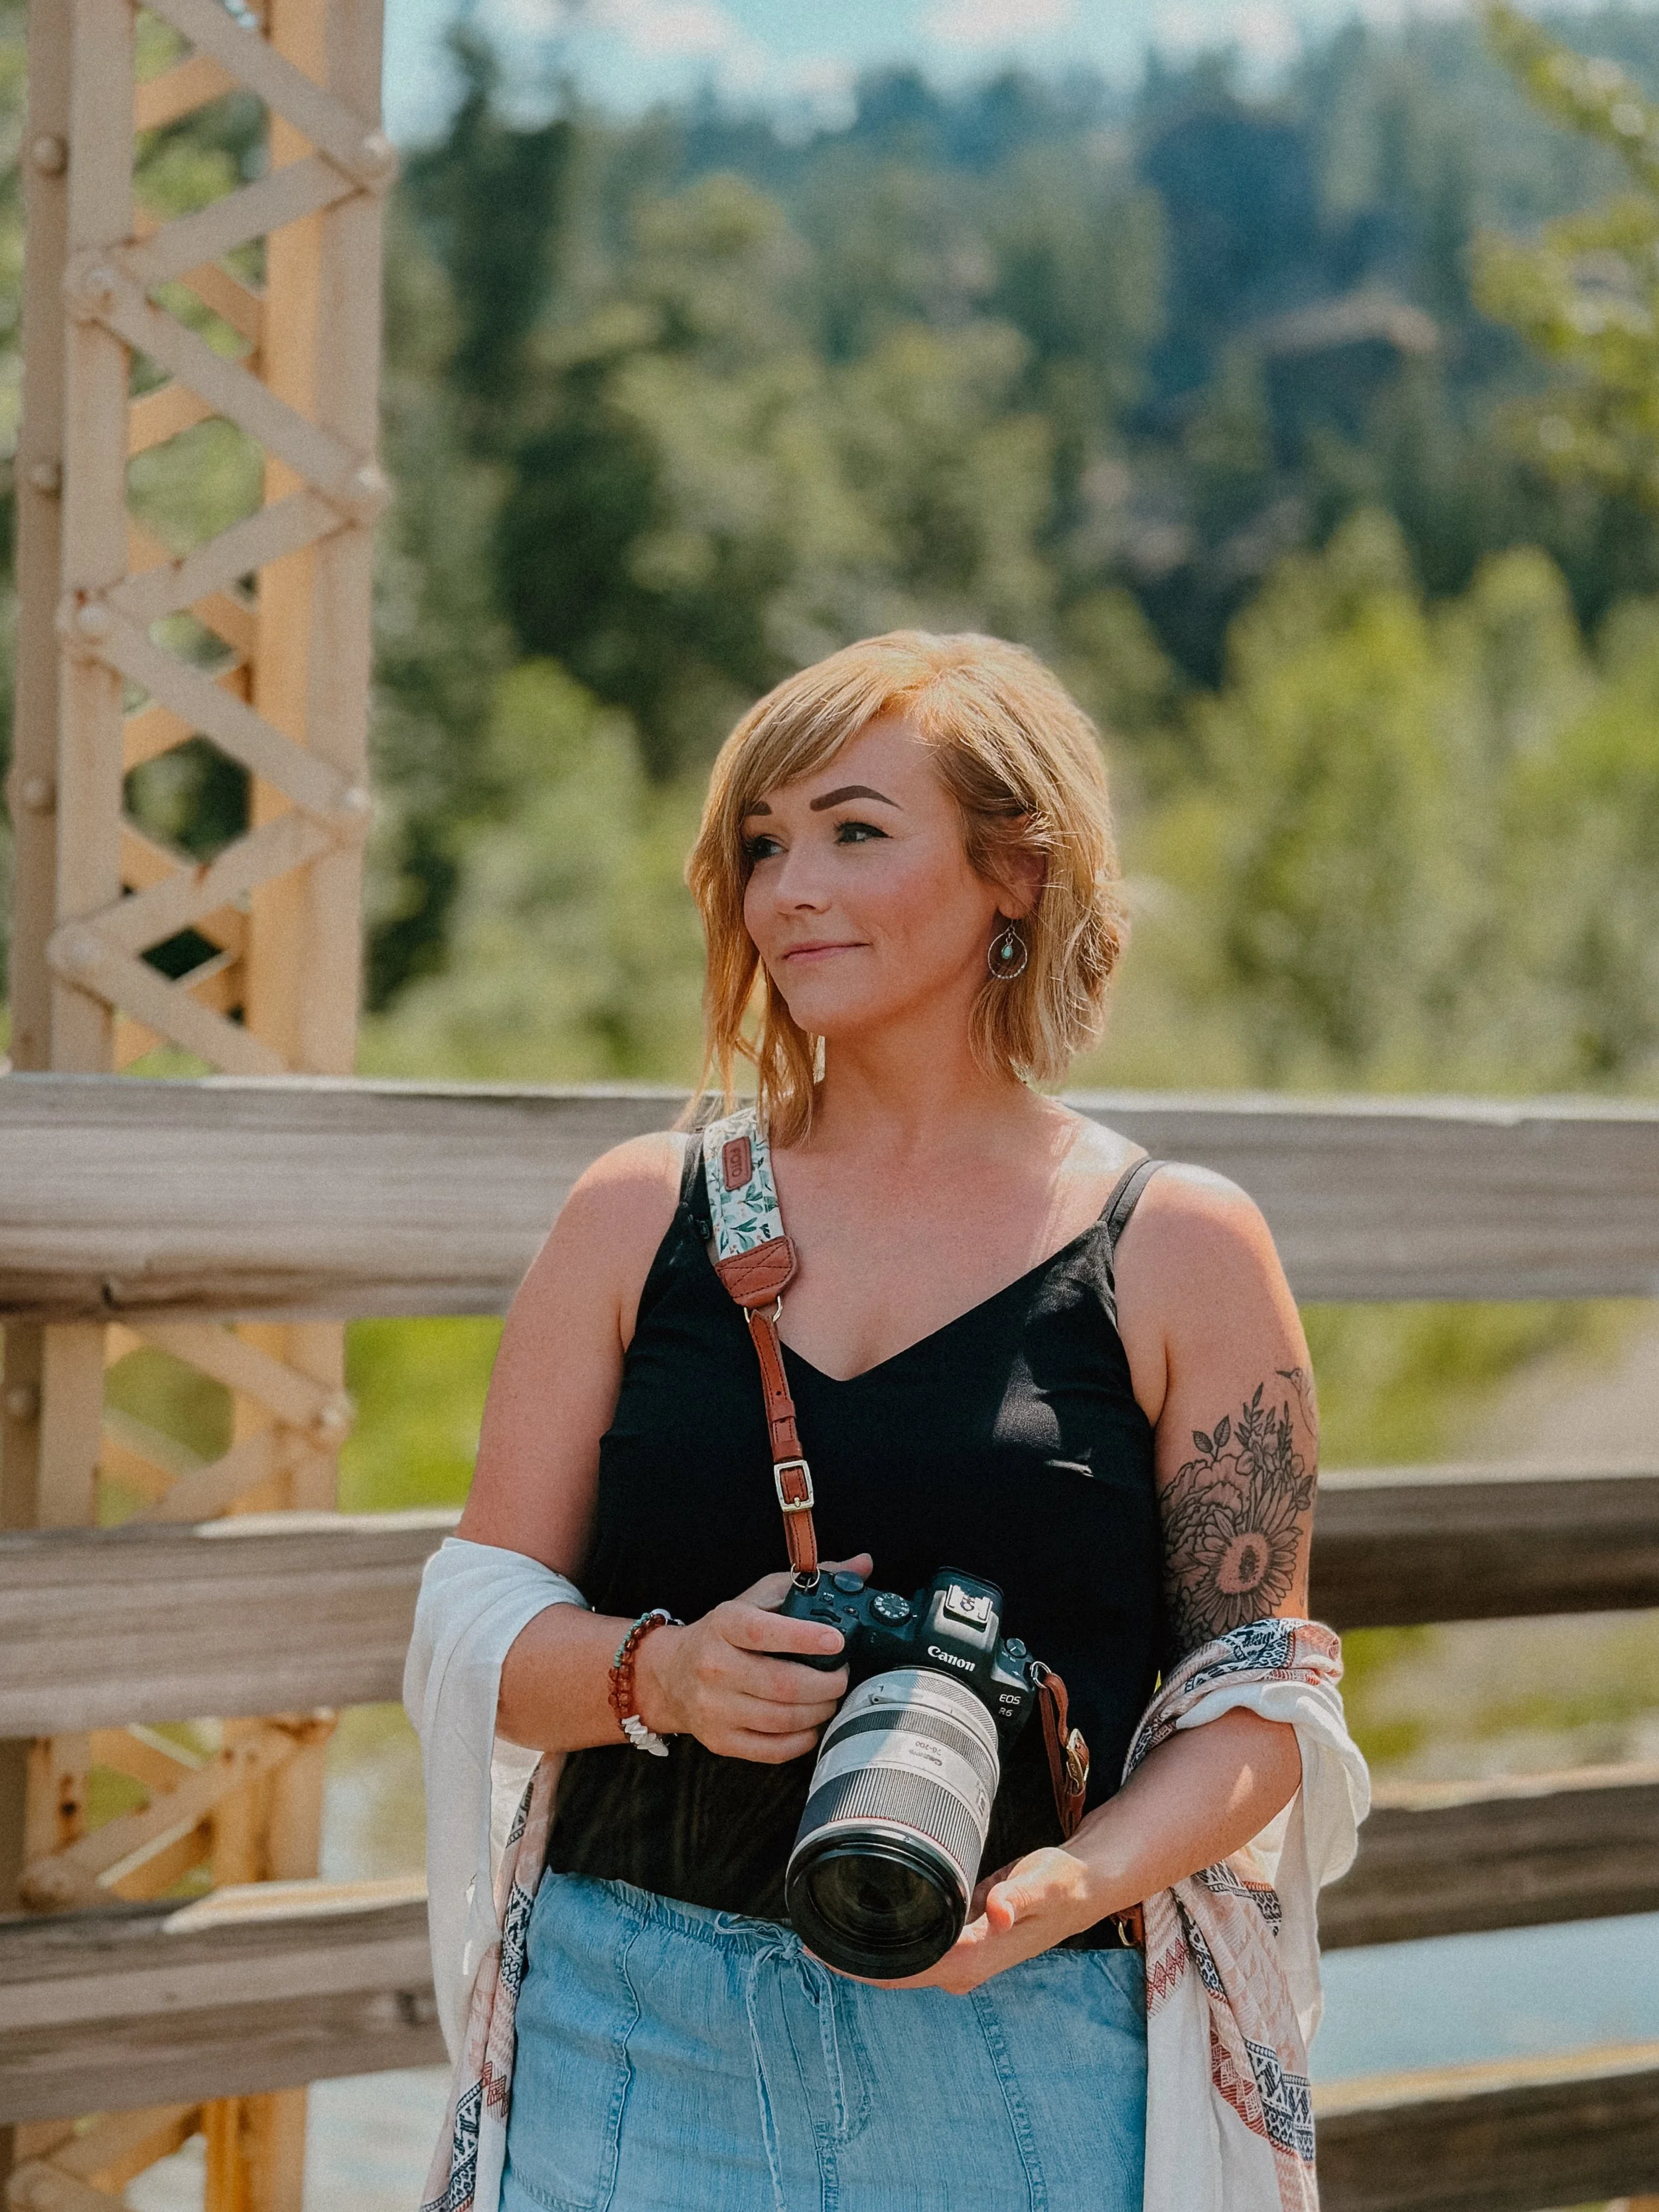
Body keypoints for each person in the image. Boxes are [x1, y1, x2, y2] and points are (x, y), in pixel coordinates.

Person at [419, 630, 1363, 2212]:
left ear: (1014, 869)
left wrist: (1067, 1883)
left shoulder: (1175, 1245)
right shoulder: (637, 1213)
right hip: (628, 2019)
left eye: (856, 830)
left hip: (1017, 2032)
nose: (790, 887)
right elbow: (481, 1619)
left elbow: (1256, 1712)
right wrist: (666, 1673)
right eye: (763, 843)